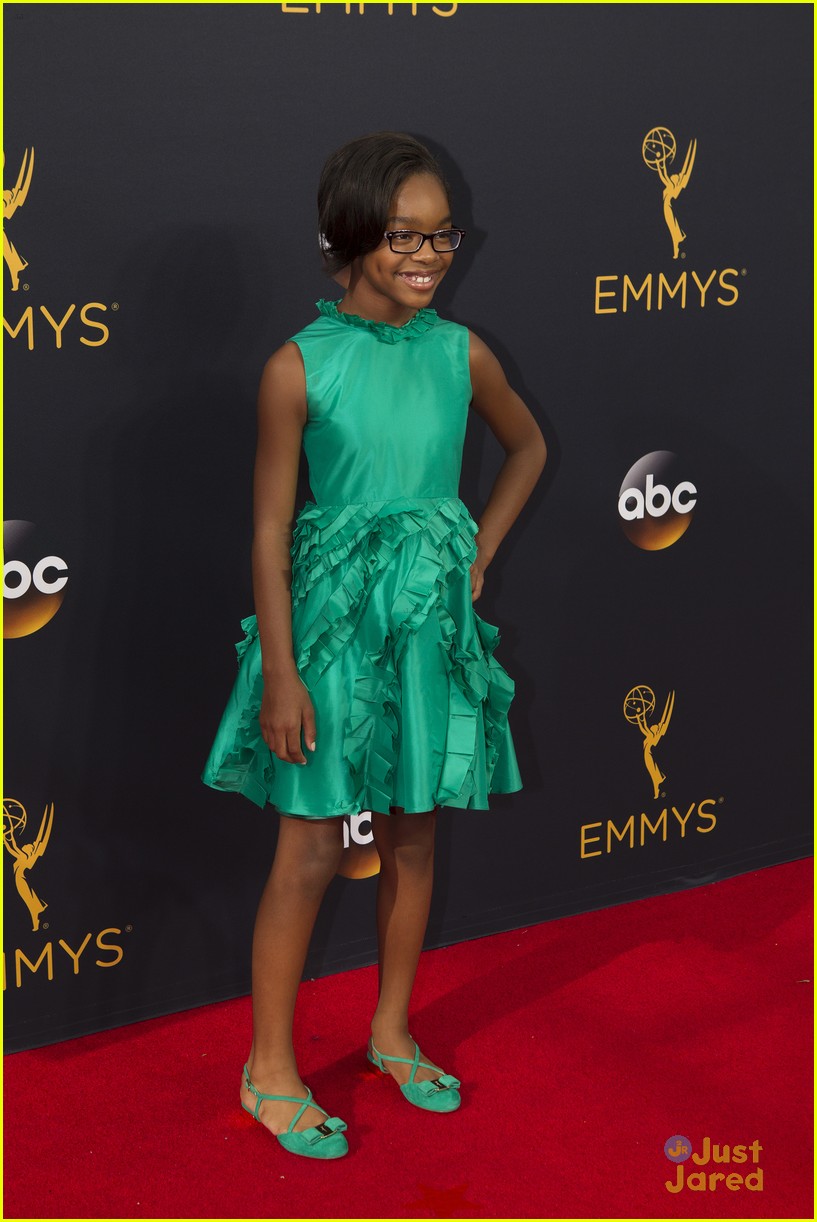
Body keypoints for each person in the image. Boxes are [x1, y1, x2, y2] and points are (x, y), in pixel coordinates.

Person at [202, 131, 547, 1160]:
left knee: (413, 835)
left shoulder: (461, 349)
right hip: (330, 629)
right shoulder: (295, 368)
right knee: (310, 846)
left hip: (427, 625)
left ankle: (391, 1028)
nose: (431, 255)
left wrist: (473, 552)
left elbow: (526, 447)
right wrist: (281, 671)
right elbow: (269, 527)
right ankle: (269, 1067)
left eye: (443, 235)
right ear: (348, 236)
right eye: (406, 235)